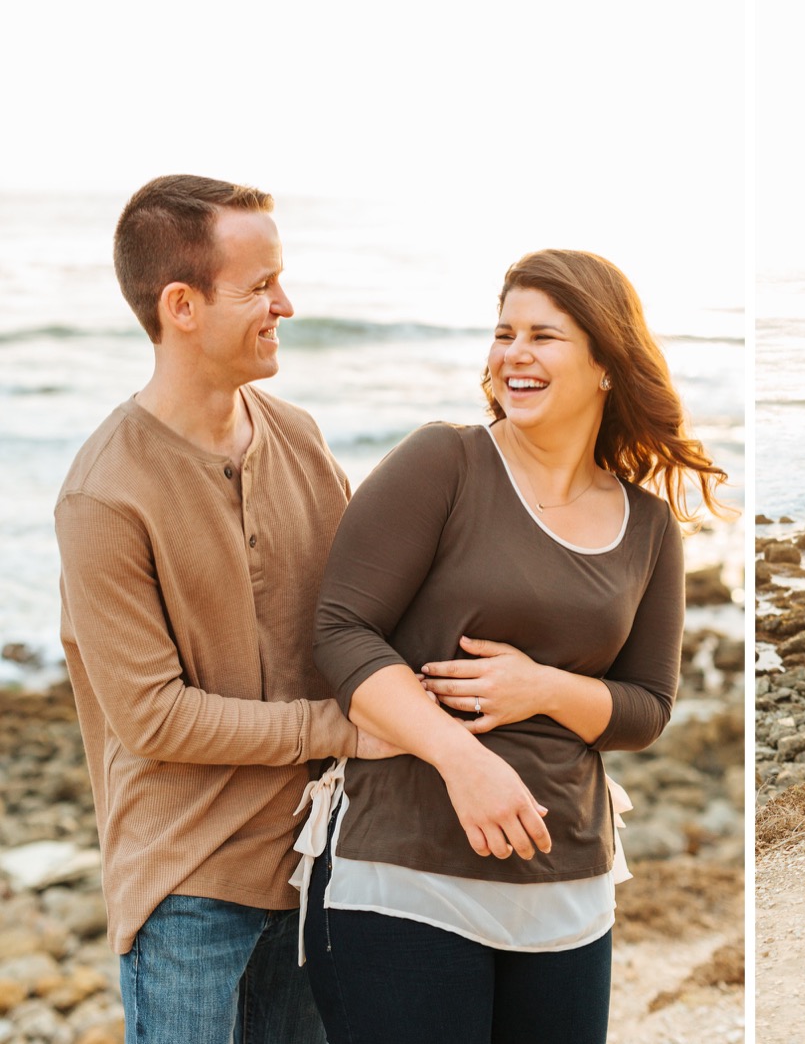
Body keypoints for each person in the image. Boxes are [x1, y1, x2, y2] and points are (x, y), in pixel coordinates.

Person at [299, 249, 728, 1044]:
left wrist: (542, 689)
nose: (513, 355)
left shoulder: (649, 526)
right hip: (403, 868)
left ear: (606, 363)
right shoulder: (446, 462)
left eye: (543, 335)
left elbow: (646, 710)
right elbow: (340, 631)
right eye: (504, 334)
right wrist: (465, 763)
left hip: (566, 880)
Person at [54, 174, 398, 1044]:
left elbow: (361, 618)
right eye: (260, 286)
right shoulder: (104, 495)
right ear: (182, 306)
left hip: (316, 864)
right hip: (187, 886)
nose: (286, 302)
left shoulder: (300, 437)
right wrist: (341, 730)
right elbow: (155, 719)